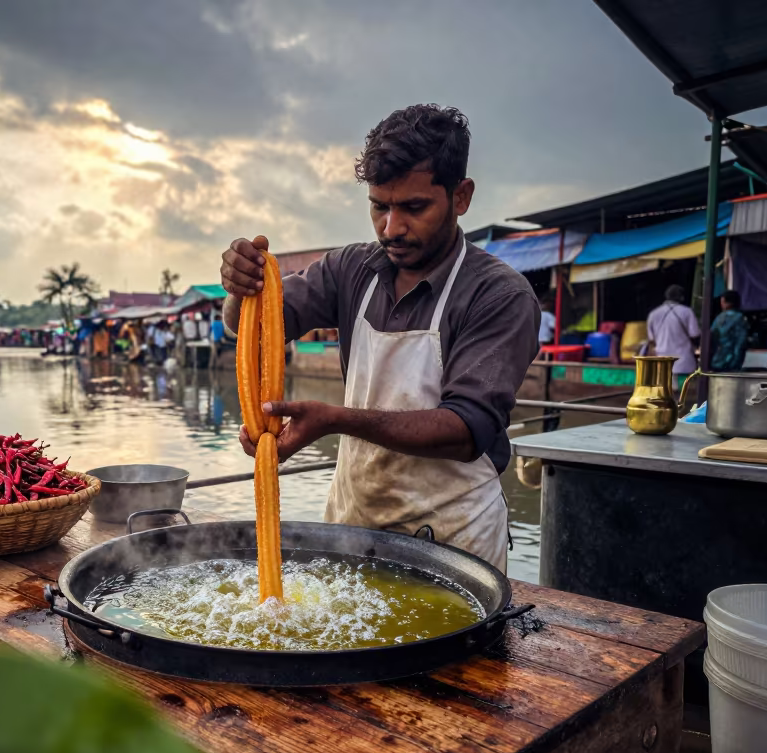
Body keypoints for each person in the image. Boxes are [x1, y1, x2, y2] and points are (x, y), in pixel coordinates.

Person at [219, 103, 539, 572]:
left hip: (452, 540)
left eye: (413, 207)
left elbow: (467, 429)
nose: (392, 228)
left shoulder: (498, 294)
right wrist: (239, 290)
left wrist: (335, 420)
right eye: (379, 207)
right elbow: (257, 329)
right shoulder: (351, 269)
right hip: (353, 522)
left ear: (462, 196)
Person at [647, 285, 700, 386]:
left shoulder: (654, 314)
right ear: (681, 297)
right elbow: (695, 334)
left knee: (666, 391)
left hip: (662, 359)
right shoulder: (687, 312)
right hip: (684, 360)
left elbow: (651, 339)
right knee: (685, 394)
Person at [709, 290, 748, 372]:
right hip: (732, 361)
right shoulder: (740, 318)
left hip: (717, 360)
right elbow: (741, 342)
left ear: (725, 302)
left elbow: (711, 337)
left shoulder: (718, 318)